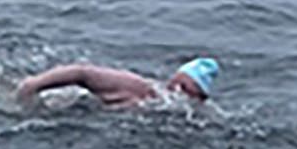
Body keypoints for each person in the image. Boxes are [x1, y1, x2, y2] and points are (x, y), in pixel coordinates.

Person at [16, 56, 218, 110]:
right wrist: (33, 85)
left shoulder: (179, 113)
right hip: (52, 106)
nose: (178, 90)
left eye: (188, 89)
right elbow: (82, 72)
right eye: (178, 83)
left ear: (200, 98)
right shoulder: (136, 86)